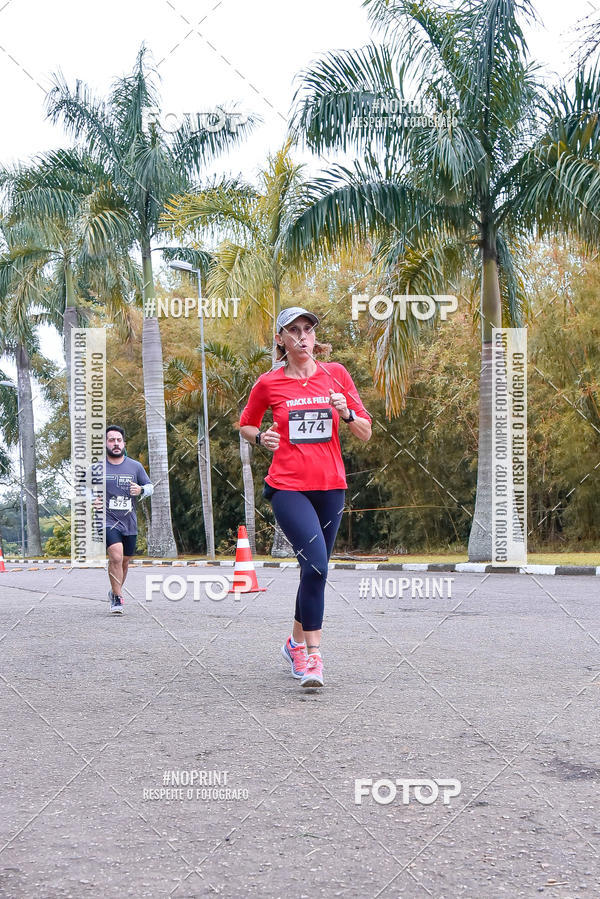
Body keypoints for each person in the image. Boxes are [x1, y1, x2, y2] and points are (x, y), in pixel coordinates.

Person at [239, 307, 372, 688]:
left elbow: (365, 432)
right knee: (316, 566)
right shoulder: (268, 382)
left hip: (331, 487)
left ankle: (294, 643)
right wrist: (260, 436)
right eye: (293, 330)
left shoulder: (337, 375)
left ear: (315, 338)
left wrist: (346, 414)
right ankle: (314, 657)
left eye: (308, 330)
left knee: (314, 571)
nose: (302, 337)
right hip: (287, 486)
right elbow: (247, 423)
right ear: (280, 339)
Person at [98, 426, 154, 614]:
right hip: (107, 520)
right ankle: (118, 598)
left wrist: (141, 490)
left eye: (118, 440)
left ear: (123, 443)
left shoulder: (135, 466)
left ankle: (115, 591)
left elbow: (150, 486)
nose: (115, 443)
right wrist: (93, 500)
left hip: (128, 521)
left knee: (125, 561)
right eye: (111, 440)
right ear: (105, 443)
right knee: (116, 555)